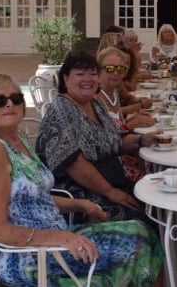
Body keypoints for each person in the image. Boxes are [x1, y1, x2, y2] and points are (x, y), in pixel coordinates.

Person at [0, 73, 163, 287]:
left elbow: (34, 199)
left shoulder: (17, 139)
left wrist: (80, 204)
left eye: (16, 98)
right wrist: (59, 238)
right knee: (137, 242)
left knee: (142, 230)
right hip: (30, 257)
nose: (9, 104)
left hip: (54, 239)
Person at [36, 51, 158, 223]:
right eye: (80, 74)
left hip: (113, 184)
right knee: (148, 216)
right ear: (66, 79)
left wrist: (141, 140)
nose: (88, 79)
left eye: (93, 74)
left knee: (157, 200)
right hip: (83, 197)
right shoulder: (61, 110)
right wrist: (110, 192)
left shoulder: (95, 104)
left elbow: (115, 139)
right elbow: (74, 164)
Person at [96, 47, 154, 183]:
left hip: (121, 154)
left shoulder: (113, 92)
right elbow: (101, 140)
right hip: (109, 164)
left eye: (121, 69)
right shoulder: (95, 96)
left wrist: (132, 120)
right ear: (98, 70)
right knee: (155, 174)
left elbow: (116, 125)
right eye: (110, 68)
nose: (116, 73)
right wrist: (129, 126)